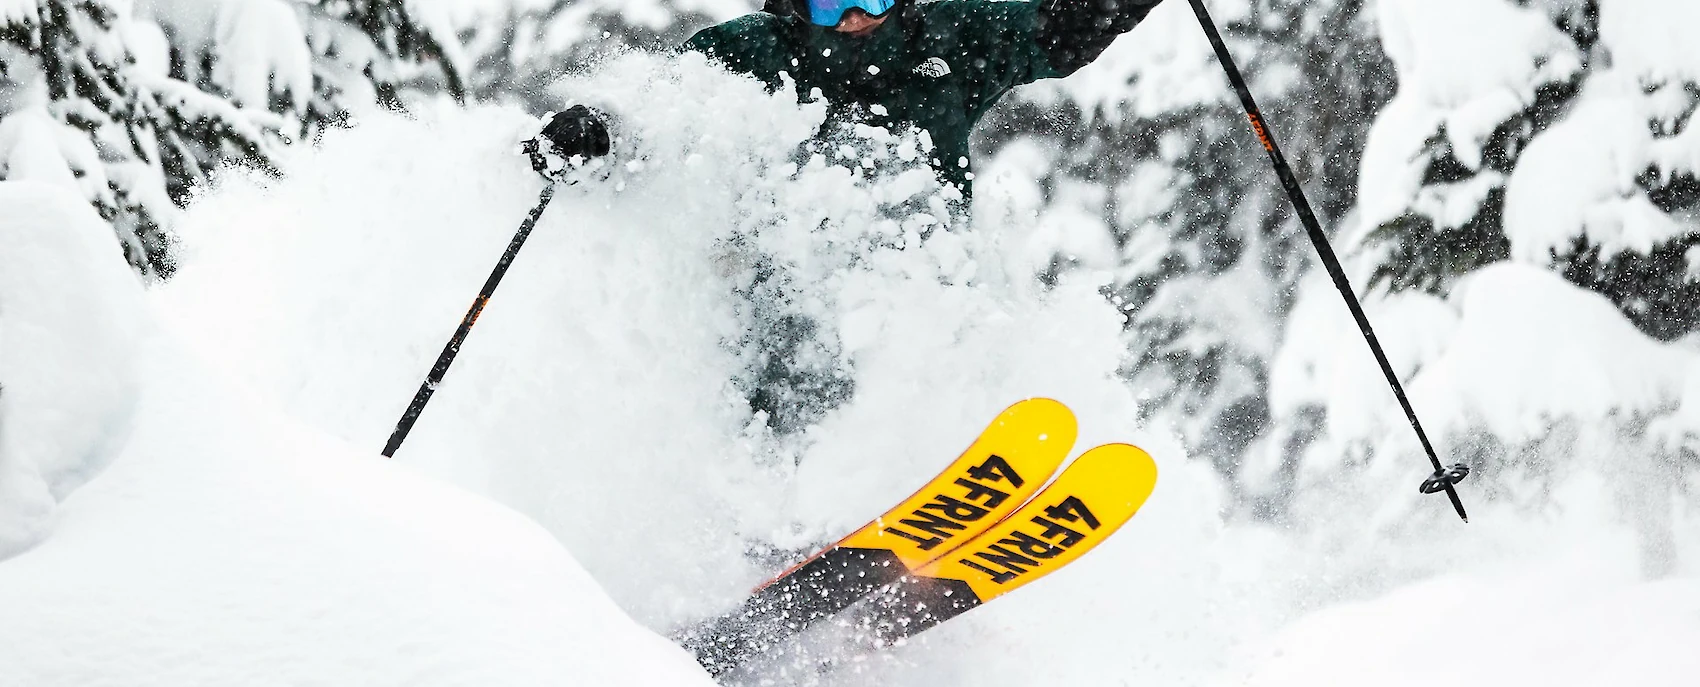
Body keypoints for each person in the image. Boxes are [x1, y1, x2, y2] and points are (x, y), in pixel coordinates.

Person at [533, 0, 1167, 194]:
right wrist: (598, 130)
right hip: (777, 299)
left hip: (921, 288)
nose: (857, 15)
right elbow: (660, 105)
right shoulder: (753, 50)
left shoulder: (954, 35)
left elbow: (1065, 25)